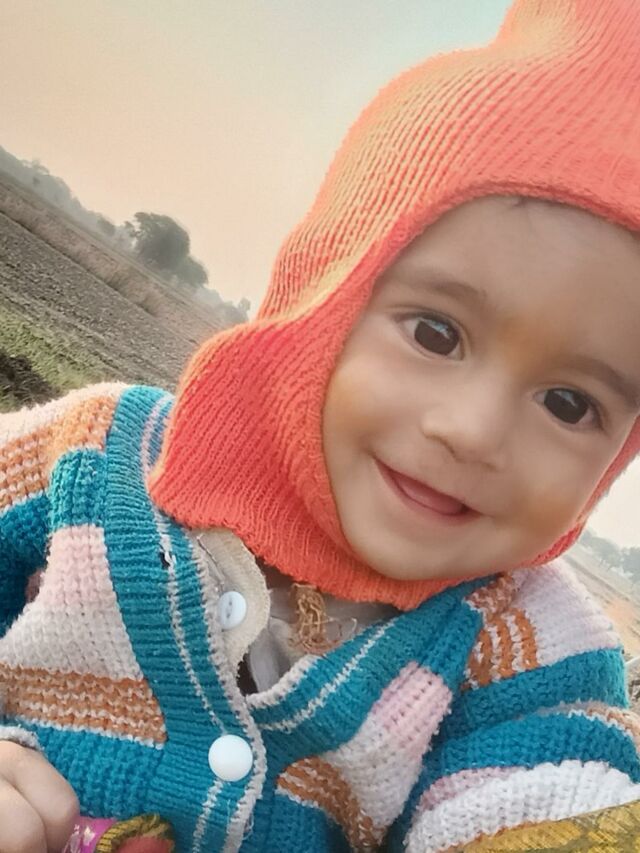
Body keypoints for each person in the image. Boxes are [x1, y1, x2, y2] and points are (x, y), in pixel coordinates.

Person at [2, 0, 640, 850]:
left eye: (569, 403)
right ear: (326, 292)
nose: (474, 431)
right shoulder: (86, 457)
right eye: (435, 332)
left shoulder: (528, 653)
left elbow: (553, 806)